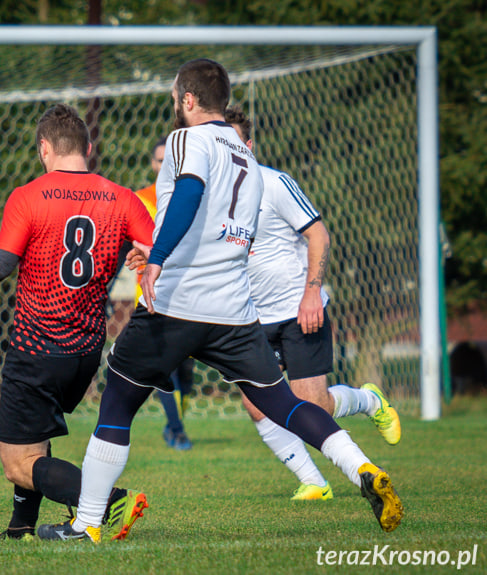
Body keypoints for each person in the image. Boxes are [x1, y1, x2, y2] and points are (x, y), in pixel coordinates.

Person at [36, 59, 403, 543]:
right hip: (234, 309)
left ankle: (86, 525)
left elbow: (189, 193)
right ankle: (362, 470)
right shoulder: (248, 157)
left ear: (188, 100)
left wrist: (160, 256)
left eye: (174, 97)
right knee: (282, 403)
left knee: (119, 401)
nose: (173, 104)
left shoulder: (186, 140)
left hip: (178, 303)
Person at [0, 103, 154, 541]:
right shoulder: (122, 197)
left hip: (35, 347)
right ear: (88, 148)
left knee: (18, 463)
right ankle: (21, 527)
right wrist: (143, 254)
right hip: (87, 351)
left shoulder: (29, 195)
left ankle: (113, 502)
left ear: (44, 148)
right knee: (33, 443)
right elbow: (163, 248)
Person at [224, 106, 402, 501]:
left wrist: (311, 293)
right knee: (257, 405)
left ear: (249, 147)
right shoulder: (213, 196)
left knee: (312, 406)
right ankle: (315, 483)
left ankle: (369, 399)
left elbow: (318, 235)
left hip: (298, 311)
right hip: (252, 318)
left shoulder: (274, 184)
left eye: (235, 143)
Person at [136, 136, 195, 451]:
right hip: (152, 299)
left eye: (166, 160)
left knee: (186, 373)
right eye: (157, 160)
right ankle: (177, 429)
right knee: (164, 369)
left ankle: (176, 424)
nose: (162, 166)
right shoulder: (140, 200)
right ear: (152, 164)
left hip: (189, 298)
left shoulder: (190, 196)